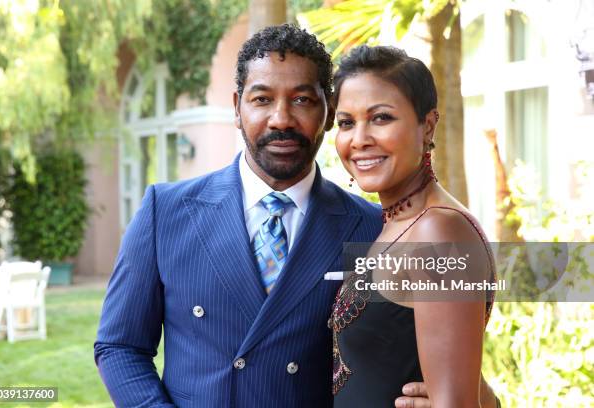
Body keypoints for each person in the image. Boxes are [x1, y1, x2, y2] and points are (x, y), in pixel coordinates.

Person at [94, 24, 496, 408]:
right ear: (237, 107)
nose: (281, 119)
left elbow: (422, 348)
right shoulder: (165, 212)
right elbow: (119, 346)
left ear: (324, 111)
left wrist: (478, 399)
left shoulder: (373, 226)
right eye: (262, 99)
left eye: (302, 99)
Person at [330, 44, 499, 407]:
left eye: (381, 118)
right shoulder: (399, 222)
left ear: (428, 125)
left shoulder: (437, 232)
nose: (359, 139)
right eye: (346, 123)